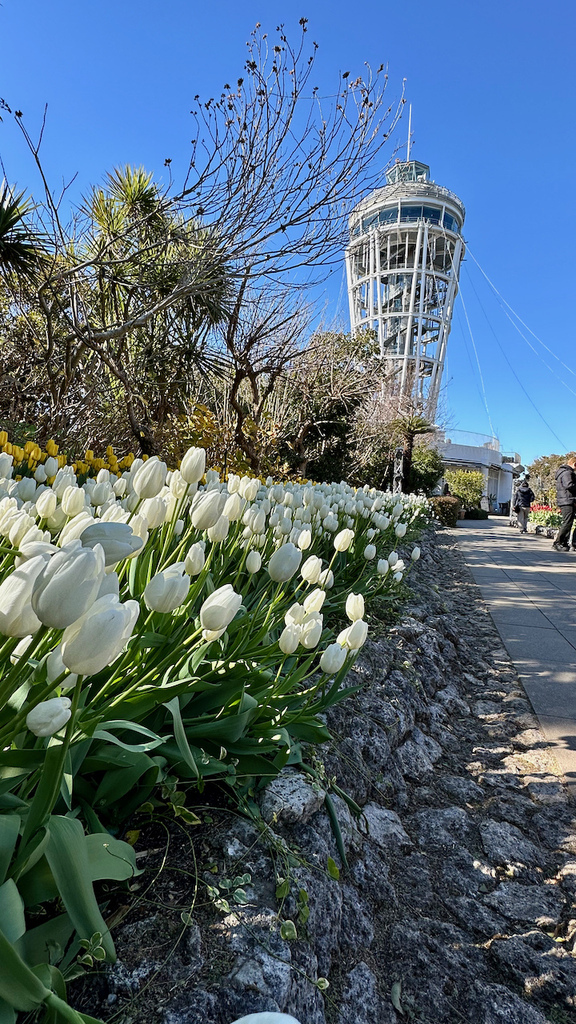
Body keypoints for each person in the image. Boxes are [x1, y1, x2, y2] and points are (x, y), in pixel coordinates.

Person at [552, 456, 576, 551]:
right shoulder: (567, 473)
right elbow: (569, 485)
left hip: (567, 500)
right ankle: (558, 542)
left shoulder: (565, 472)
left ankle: (565, 543)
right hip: (567, 500)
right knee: (567, 522)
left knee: (568, 522)